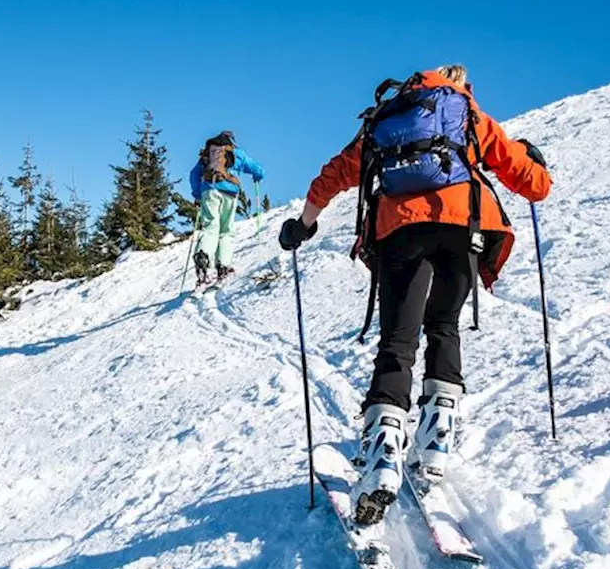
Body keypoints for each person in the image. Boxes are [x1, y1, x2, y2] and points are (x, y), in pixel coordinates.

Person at [278, 65, 551, 525]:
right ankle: (436, 440)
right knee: (444, 326)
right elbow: (534, 186)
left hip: (400, 232)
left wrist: (302, 225)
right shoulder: (466, 113)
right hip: (464, 229)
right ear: (460, 85)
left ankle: (383, 454)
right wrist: (535, 163)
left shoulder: (386, 120)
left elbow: (332, 176)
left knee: (397, 343)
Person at [189, 131, 265, 287]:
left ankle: (203, 255)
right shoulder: (236, 153)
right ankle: (223, 267)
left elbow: (194, 174)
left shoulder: (207, 154)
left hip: (209, 189)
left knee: (210, 227)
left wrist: (198, 194)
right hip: (229, 192)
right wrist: (258, 175)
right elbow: (256, 169)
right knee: (226, 230)